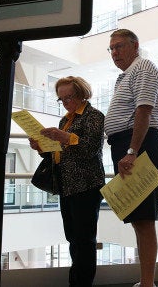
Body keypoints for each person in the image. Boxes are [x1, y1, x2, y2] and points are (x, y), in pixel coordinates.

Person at [29, 76, 105, 286]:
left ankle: (82, 283)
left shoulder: (94, 116)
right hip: (68, 185)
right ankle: (76, 282)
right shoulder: (66, 120)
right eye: (61, 99)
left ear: (81, 94)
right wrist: (42, 147)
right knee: (73, 239)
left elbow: (90, 149)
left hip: (87, 185)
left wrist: (64, 137)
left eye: (69, 97)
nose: (65, 102)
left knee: (85, 241)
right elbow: (61, 153)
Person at [104, 29, 158, 287]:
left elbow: (144, 111)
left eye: (119, 46)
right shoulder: (126, 75)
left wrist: (131, 151)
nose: (115, 53)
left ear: (135, 45)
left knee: (144, 218)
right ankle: (145, 281)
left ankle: (148, 282)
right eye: (111, 49)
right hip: (128, 144)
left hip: (138, 144)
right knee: (138, 219)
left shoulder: (144, 68)